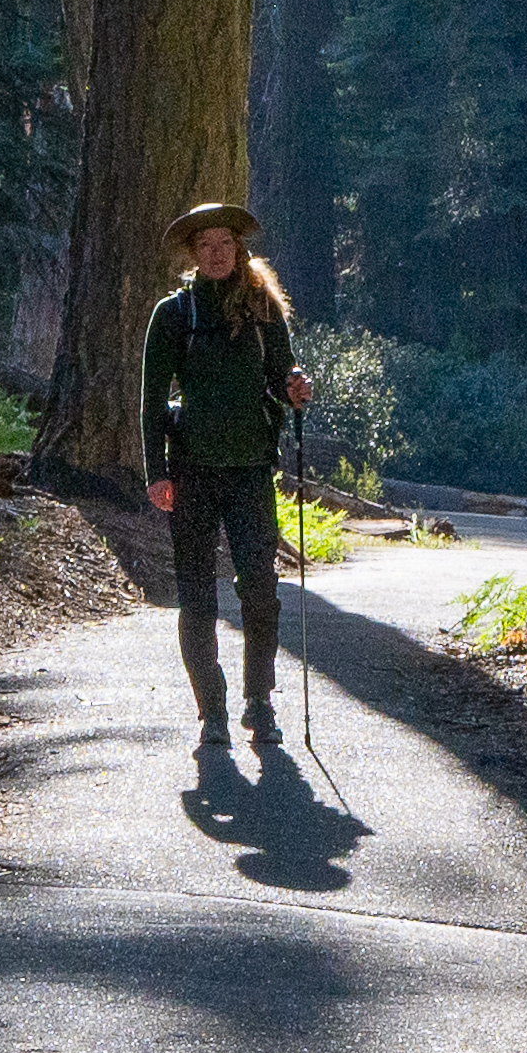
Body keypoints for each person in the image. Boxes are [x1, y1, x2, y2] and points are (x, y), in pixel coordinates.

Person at [144, 199, 311, 750]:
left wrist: (293, 389)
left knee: (260, 590)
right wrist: (156, 472)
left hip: (250, 472)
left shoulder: (263, 310)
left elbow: (280, 378)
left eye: (225, 243)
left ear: (239, 250)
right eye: (205, 245)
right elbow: (151, 402)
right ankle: (210, 710)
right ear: (193, 255)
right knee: (197, 597)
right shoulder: (174, 315)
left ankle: (258, 702)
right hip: (191, 471)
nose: (216, 253)